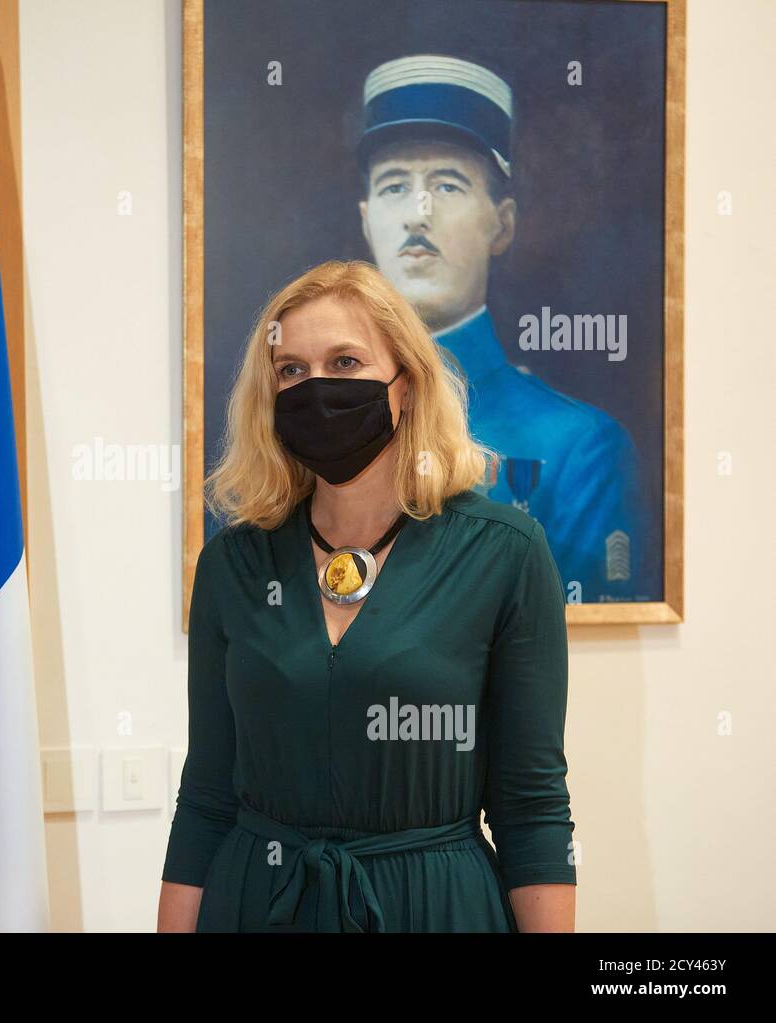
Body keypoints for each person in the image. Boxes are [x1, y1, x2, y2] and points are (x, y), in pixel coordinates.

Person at [157, 260, 576, 932]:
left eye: (345, 362)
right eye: (291, 370)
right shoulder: (232, 563)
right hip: (259, 901)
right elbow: (207, 793)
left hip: (434, 905)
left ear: (404, 385)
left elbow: (532, 806)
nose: (316, 388)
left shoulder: (503, 551)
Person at [356, 54, 648, 602]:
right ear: (367, 220)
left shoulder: (580, 448)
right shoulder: (313, 427)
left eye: (448, 185)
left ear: (502, 223)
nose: (419, 214)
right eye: (396, 186)